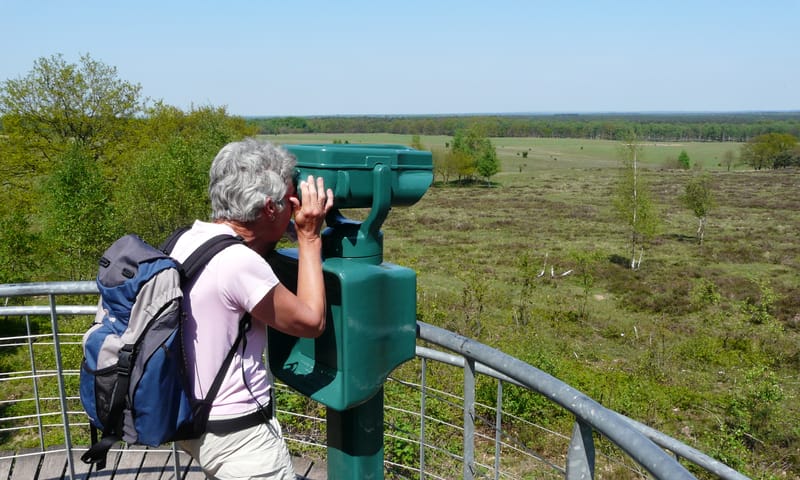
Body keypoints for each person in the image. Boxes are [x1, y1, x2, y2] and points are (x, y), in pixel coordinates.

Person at [171, 138, 333, 480]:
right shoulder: (238, 263)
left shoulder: (185, 239)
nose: (296, 207)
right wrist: (309, 237)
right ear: (270, 209)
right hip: (238, 436)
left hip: (190, 416)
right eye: (291, 200)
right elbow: (312, 321)